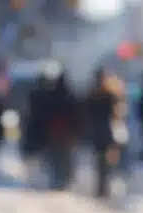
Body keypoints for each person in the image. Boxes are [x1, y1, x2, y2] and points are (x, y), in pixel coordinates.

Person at [27, 64, 79, 190]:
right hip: (65, 133)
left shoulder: (50, 95)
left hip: (54, 132)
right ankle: (63, 180)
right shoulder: (69, 96)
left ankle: (57, 179)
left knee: (55, 158)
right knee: (64, 158)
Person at [84, 67, 125, 198]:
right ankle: (103, 187)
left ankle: (101, 187)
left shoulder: (92, 94)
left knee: (100, 161)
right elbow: (117, 111)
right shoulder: (109, 94)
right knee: (105, 161)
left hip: (98, 131)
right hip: (106, 131)